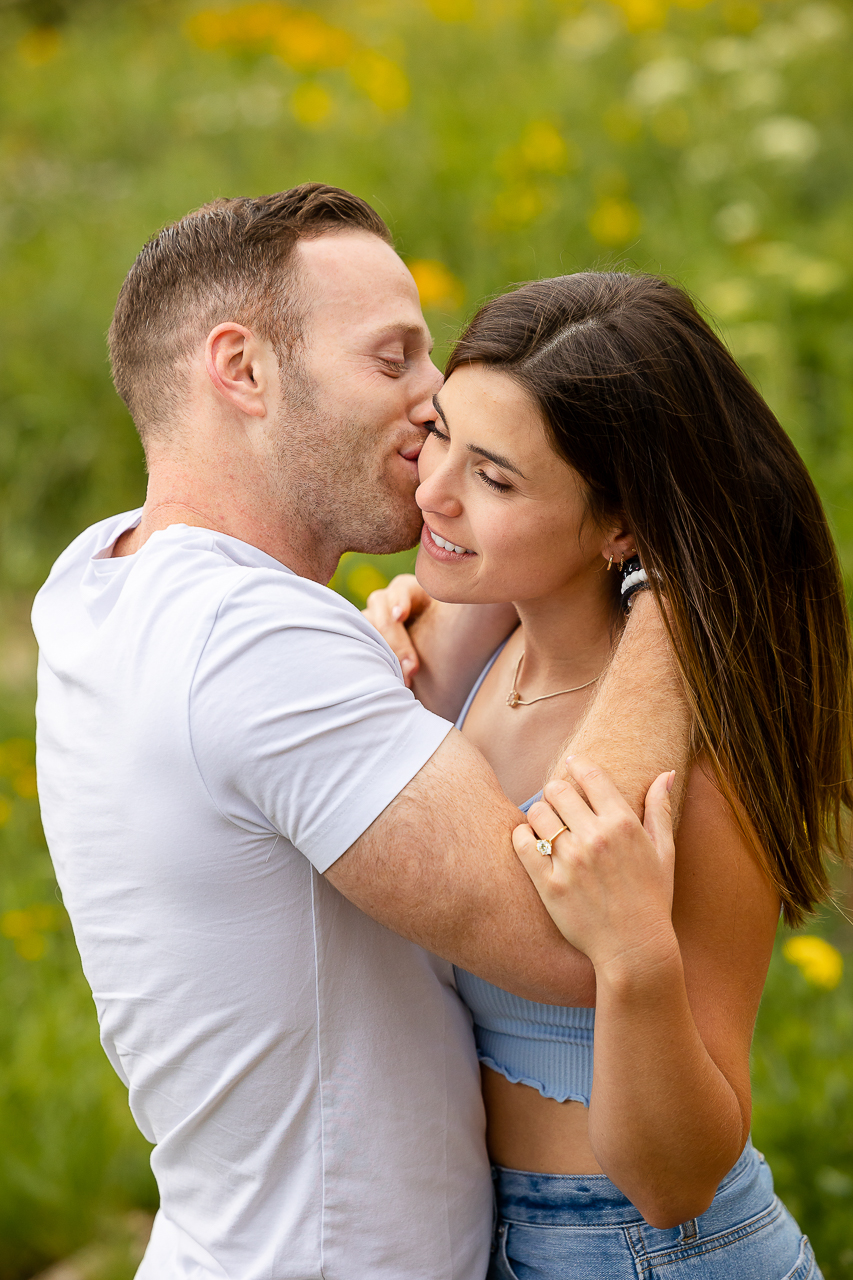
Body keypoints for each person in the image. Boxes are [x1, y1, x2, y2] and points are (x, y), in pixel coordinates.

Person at [31, 186, 690, 1280]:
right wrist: (675, 587)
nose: (437, 403)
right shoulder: (249, 639)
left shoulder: (106, 577)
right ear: (242, 370)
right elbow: (568, 930)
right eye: (394, 359)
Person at [365, 271, 852, 1279]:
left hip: (643, 1247)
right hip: (477, 1228)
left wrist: (634, 958)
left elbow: (676, 1180)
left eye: (494, 478)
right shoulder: (484, 639)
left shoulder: (695, 762)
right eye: (441, 431)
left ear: (619, 527)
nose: (434, 487)